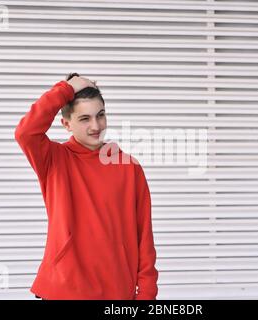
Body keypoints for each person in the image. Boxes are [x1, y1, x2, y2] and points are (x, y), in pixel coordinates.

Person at [14, 73, 159, 300]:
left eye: (100, 115)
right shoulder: (54, 160)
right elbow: (25, 132)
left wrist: (147, 294)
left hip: (116, 293)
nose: (96, 125)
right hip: (62, 290)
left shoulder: (130, 168)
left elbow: (144, 238)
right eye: (84, 119)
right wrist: (66, 89)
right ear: (66, 124)